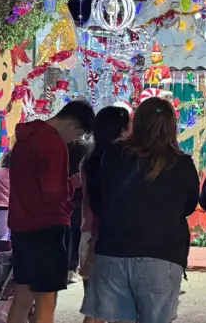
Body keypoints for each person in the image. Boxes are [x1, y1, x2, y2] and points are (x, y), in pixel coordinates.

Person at [80, 98, 199, 323]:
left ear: (137, 121)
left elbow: (100, 197)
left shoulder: (114, 154)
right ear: (172, 124)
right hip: (162, 253)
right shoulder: (181, 163)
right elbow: (189, 205)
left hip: (114, 250)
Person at [8, 100, 95, 323]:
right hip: (46, 227)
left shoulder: (25, 138)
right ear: (73, 126)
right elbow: (53, 192)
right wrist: (74, 182)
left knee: (22, 298)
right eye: (78, 135)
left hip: (20, 224)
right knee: (47, 298)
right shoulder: (54, 144)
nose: (74, 141)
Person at [77, 106, 130, 295]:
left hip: (90, 233)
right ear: (122, 130)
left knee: (94, 307)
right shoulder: (126, 161)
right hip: (118, 236)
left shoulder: (89, 161)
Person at [68, 131, 93, 283]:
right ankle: (73, 267)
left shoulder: (62, 148)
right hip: (82, 196)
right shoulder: (89, 148)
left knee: (69, 232)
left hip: (64, 195)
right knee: (79, 232)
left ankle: (68, 267)